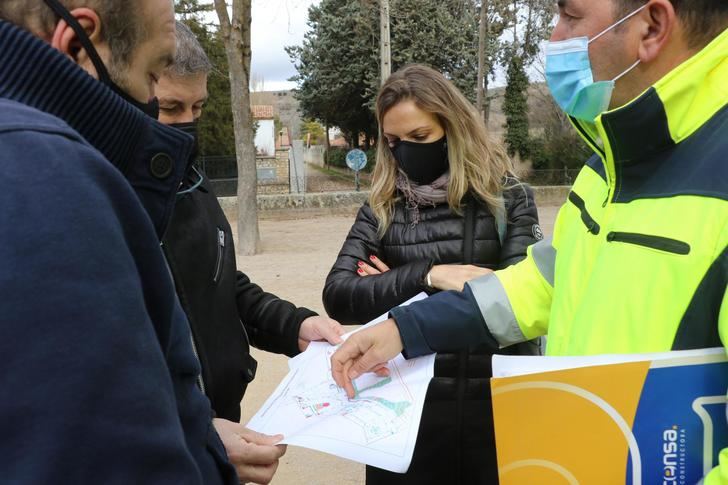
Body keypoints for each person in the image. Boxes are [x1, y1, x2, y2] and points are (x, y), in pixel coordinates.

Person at [331, 0, 728, 481]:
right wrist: (404, 328)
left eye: (571, 16)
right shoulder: (608, 169)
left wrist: (397, 284)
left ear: (652, 25)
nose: (554, 37)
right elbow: (538, 284)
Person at [0, 0, 239, 482]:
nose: (169, 120)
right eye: (154, 77)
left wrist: (199, 437)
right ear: (78, 46)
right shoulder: (51, 183)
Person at [323, 64, 541, 484]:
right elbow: (339, 294)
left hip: (494, 420)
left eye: (419, 137)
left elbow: (518, 306)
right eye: (393, 142)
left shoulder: (507, 200)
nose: (406, 152)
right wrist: (428, 276)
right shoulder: (383, 206)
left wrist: (389, 287)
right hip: (402, 425)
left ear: (453, 126)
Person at [159, 21, 345, 484]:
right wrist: (193, 433)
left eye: (198, 107)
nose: (188, 122)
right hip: (169, 450)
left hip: (226, 428)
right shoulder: (109, 202)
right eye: (169, 108)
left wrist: (297, 326)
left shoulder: (193, 185)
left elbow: (225, 285)